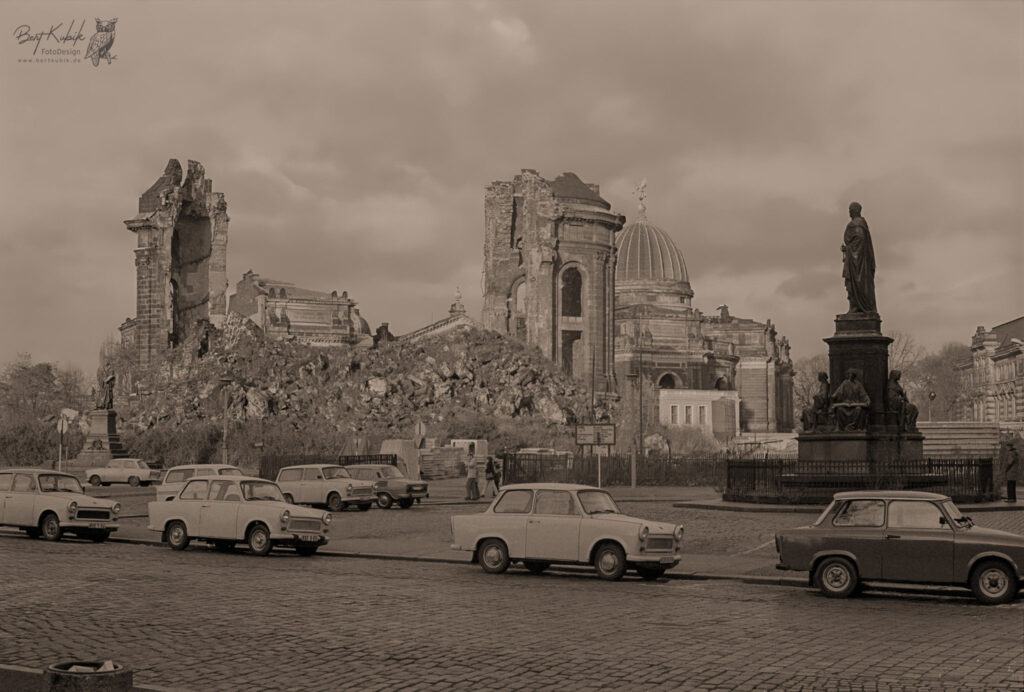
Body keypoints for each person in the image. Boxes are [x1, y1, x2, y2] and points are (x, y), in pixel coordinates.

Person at [841, 202, 877, 314]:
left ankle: (857, 306)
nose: (849, 212)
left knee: (858, 282)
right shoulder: (860, 224)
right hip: (855, 260)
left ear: (856, 210)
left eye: (850, 209)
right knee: (854, 282)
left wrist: (848, 249)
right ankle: (855, 306)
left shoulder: (857, 224)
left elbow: (859, 241)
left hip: (858, 262)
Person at [1006, 439, 1021, 503]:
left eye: (1007, 447)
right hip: (1015, 471)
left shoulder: (1010, 453)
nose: (1006, 448)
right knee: (1013, 485)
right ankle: (1014, 498)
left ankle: (1010, 498)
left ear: (1009, 447)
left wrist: (1006, 469)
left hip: (1011, 471)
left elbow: (1010, 462)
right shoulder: (1016, 453)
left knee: (1010, 485)